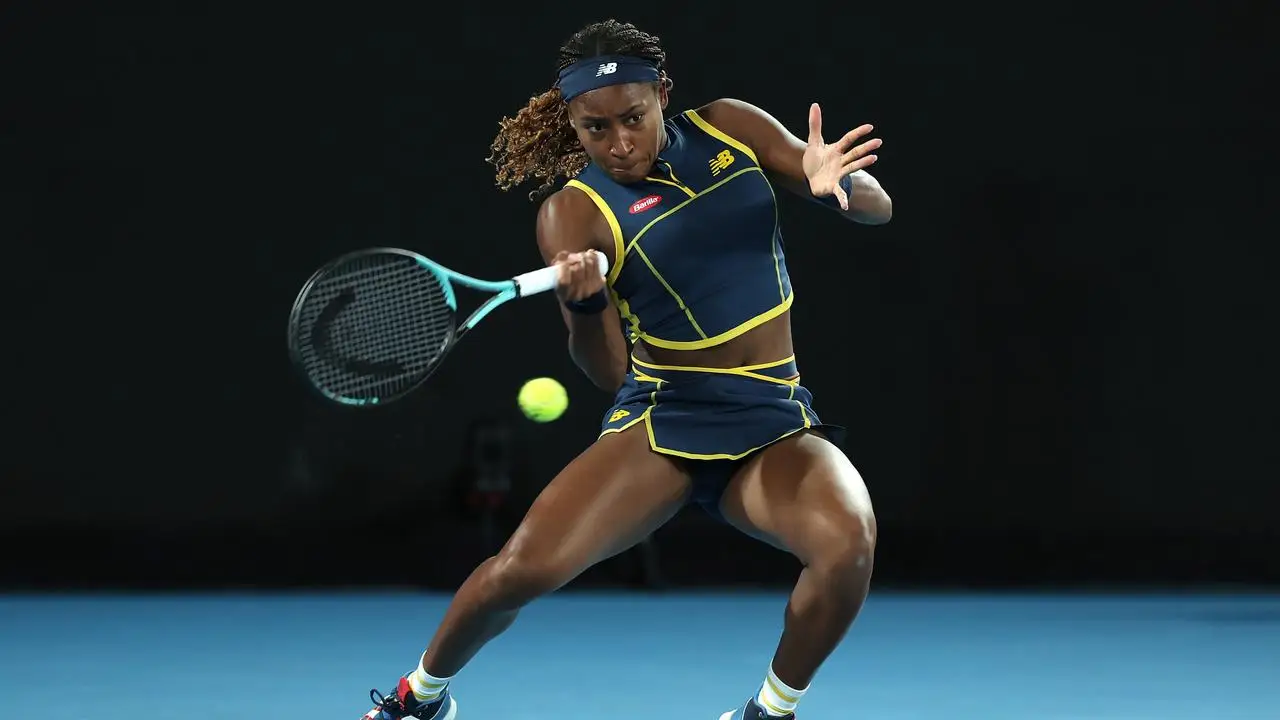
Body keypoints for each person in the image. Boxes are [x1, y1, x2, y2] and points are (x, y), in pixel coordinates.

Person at [361, 18, 892, 720]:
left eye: (633, 119)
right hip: (663, 420)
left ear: (663, 94)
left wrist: (841, 184)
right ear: (573, 124)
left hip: (772, 418)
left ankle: (769, 712)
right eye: (595, 129)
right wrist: (583, 307)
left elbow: (876, 211)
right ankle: (419, 698)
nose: (619, 144)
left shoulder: (730, 127)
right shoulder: (572, 214)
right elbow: (608, 371)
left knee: (847, 546)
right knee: (517, 574)